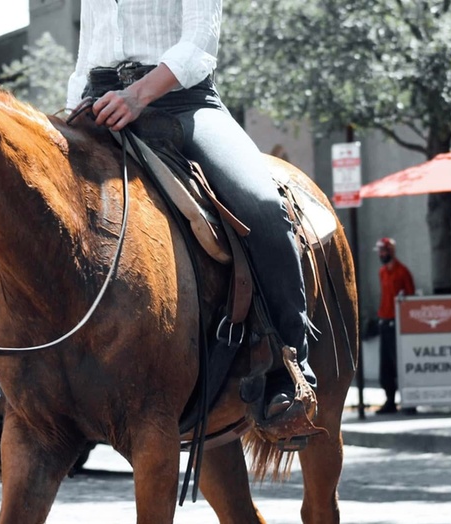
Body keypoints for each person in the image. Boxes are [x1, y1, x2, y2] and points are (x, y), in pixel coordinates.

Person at [68, 0, 314, 421]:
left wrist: (137, 95)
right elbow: (85, 55)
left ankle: (289, 366)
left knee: (262, 207)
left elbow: (200, 43)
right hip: (99, 105)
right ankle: (21, 394)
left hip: (184, 104)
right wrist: (69, 118)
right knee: (27, 199)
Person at [374, 237, 415, 414]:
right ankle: (390, 400)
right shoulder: (382, 272)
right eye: (380, 251)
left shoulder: (402, 271)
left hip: (397, 323)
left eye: (384, 251)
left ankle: (409, 400)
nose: (381, 254)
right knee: (386, 365)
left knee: (400, 361)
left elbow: (410, 295)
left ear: (390, 251)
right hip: (385, 321)